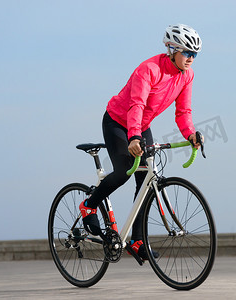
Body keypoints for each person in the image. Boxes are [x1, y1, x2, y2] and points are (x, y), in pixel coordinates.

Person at [79, 24, 203, 260]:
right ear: (172, 50)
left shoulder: (187, 75)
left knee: (146, 179)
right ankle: (89, 205)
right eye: (187, 53)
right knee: (125, 171)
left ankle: (136, 241)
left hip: (141, 125)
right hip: (118, 121)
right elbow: (137, 105)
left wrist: (191, 134)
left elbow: (183, 111)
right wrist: (133, 136)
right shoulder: (148, 69)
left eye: (194, 55)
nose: (191, 59)